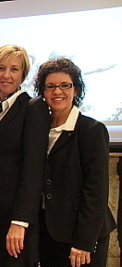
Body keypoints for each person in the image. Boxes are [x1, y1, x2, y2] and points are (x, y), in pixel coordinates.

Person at [34, 57, 116, 267]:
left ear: (76, 90)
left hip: (81, 236)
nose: (57, 92)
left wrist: (83, 242)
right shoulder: (39, 130)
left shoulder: (91, 130)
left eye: (65, 85)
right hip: (48, 231)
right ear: (42, 92)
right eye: (50, 86)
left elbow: (96, 191)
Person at [0, 44, 49, 267]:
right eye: (1, 68)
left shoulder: (33, 108)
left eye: (14, 69)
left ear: (23, 74)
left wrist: (20, 221)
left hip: (16, 217)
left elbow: (33, 170)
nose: (6, 75)